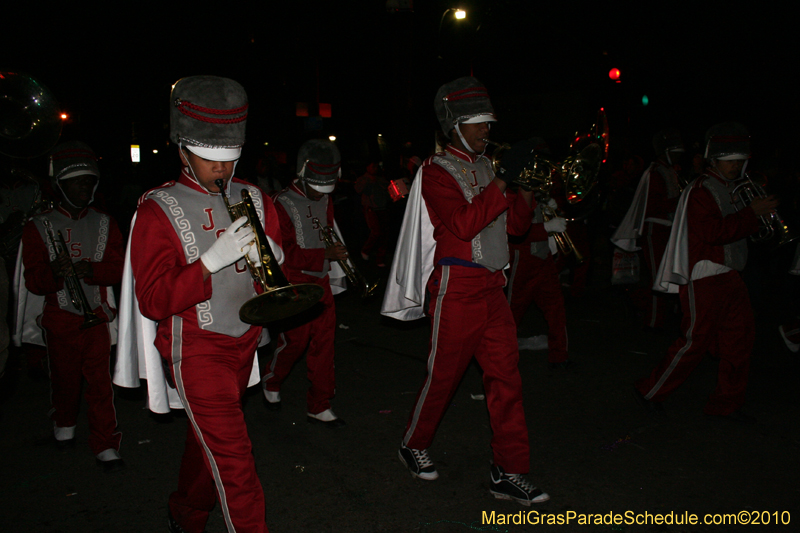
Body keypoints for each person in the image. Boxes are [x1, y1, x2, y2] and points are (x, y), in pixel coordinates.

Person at [115, 76, 280, 533]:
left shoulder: (254, 196)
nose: (222, 171)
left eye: (231, 160)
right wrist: (209, 262)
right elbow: (152, 300)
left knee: (208, 445)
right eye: (211, 159)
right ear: (183, 150)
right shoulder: (157, 208)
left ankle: (185, 510)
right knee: (235, 460)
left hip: (245, 340)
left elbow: (272, 278)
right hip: (196, 347)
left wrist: (273, 261)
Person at [382, 76, 549, 506]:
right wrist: (501, 183)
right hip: (456, 287)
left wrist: (525, 191)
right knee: (444, 378)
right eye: (476, 124)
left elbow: (514, 229)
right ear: (454, 127)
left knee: (507, 381)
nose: (485, 131)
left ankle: (509, 471)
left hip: (493, 287)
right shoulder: (435, 171)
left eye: (487, 124)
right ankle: (412, 443)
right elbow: (461, 224)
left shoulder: (492, 168)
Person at [635, 122, 778, 421]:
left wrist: (754, 217)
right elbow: (713, 232)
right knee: (695, 340)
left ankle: (727, 402)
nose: (735, 166)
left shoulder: (731, 188)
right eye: (729, 161)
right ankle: (651, 390)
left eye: (739, 161)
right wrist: (752, 214)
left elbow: (737, 229)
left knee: (740, 340)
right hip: (705, 275)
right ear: (715, 159)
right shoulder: (701, 189)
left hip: (731, 274)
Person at [17, 141, 124, 471]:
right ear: (60, 185)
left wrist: (92, 271)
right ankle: (64, 427)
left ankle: (105, 443)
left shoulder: (106, 222)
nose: (85, 187)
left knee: (100, 384)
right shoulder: (38, 226)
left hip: (96, 315)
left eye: (90, 181)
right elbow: (33, 280)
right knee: (65, 381)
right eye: (77, 181)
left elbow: (120, 267)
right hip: (60, 317)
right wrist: (54, 273)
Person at [261, 139, 347, 427]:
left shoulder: (326, 197)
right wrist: (324, 254)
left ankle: (319, 403)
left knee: (325, 344)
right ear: (302, 174)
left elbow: (327, 230)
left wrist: (334, 253)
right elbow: (282, 251)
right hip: (295, 282)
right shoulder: (281, 203)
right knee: (294, 342)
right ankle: (272, 380)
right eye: (316, 188)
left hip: (320, 281)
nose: (320, 195)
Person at [502, 138, 570, 368]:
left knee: (556, 309)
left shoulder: (541, 185)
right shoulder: (509, 187)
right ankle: (502, 361)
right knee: (511, 313)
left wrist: (551, 207)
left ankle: (560, 356)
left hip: (543, 259)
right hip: (522, 259)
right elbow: (513, 231)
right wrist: (547, 228)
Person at [612, 128, 685, 330]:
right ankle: (653, 321)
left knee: (669, 275)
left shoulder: (670, 171)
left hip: (668, 230)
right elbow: (653, 206)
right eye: (675, 151)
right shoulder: (655, 173)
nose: (679, 155)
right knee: (657, 277)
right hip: (655, 230)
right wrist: (679, 201)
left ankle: (660, 315)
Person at [355, 161, 391, 266]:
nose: (375, 168)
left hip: (382, 208)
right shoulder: (363, 179)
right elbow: (358, 190)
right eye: (373, 166)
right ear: (367, 167)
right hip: (371, 209)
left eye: (376, 166)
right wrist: (368, 182)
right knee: (376, 231)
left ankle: (380, 259)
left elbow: (388, 193)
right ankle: (365, 250)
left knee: (384, 234)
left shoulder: (381, 179)